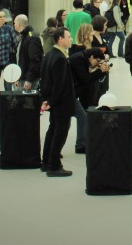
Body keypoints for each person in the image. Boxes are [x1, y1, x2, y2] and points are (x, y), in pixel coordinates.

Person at [39, 28, 75, 177]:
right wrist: (52, 101)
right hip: (61, 103)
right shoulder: (59, 58)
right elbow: (59, 84)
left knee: (52, 130)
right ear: (61, 39)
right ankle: (54, 165)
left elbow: (45, 79)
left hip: (53, 102)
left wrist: (46, 100)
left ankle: (46, 161)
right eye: (69, 36)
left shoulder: (49, 55)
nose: (71, 39)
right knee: (60, 132)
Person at [69, 46, 110, 155]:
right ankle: (81, 145)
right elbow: (86, 79)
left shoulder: (81, 57)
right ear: (92, 56)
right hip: (68, 94)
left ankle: (80, 144)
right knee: (82, 117)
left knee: (67, 120)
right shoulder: (79, 59)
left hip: (70, 93)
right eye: (97, 61)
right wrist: (100, 71)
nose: (97, 63)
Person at [14, 14, 43, 91]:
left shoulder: (31, 37)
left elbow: (34, 59)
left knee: (28, 102)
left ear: (19, 24)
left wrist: (29, 79)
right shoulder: (24, 37)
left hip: (28, 79)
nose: (14, 25)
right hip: (23, 77)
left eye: (15, 23)